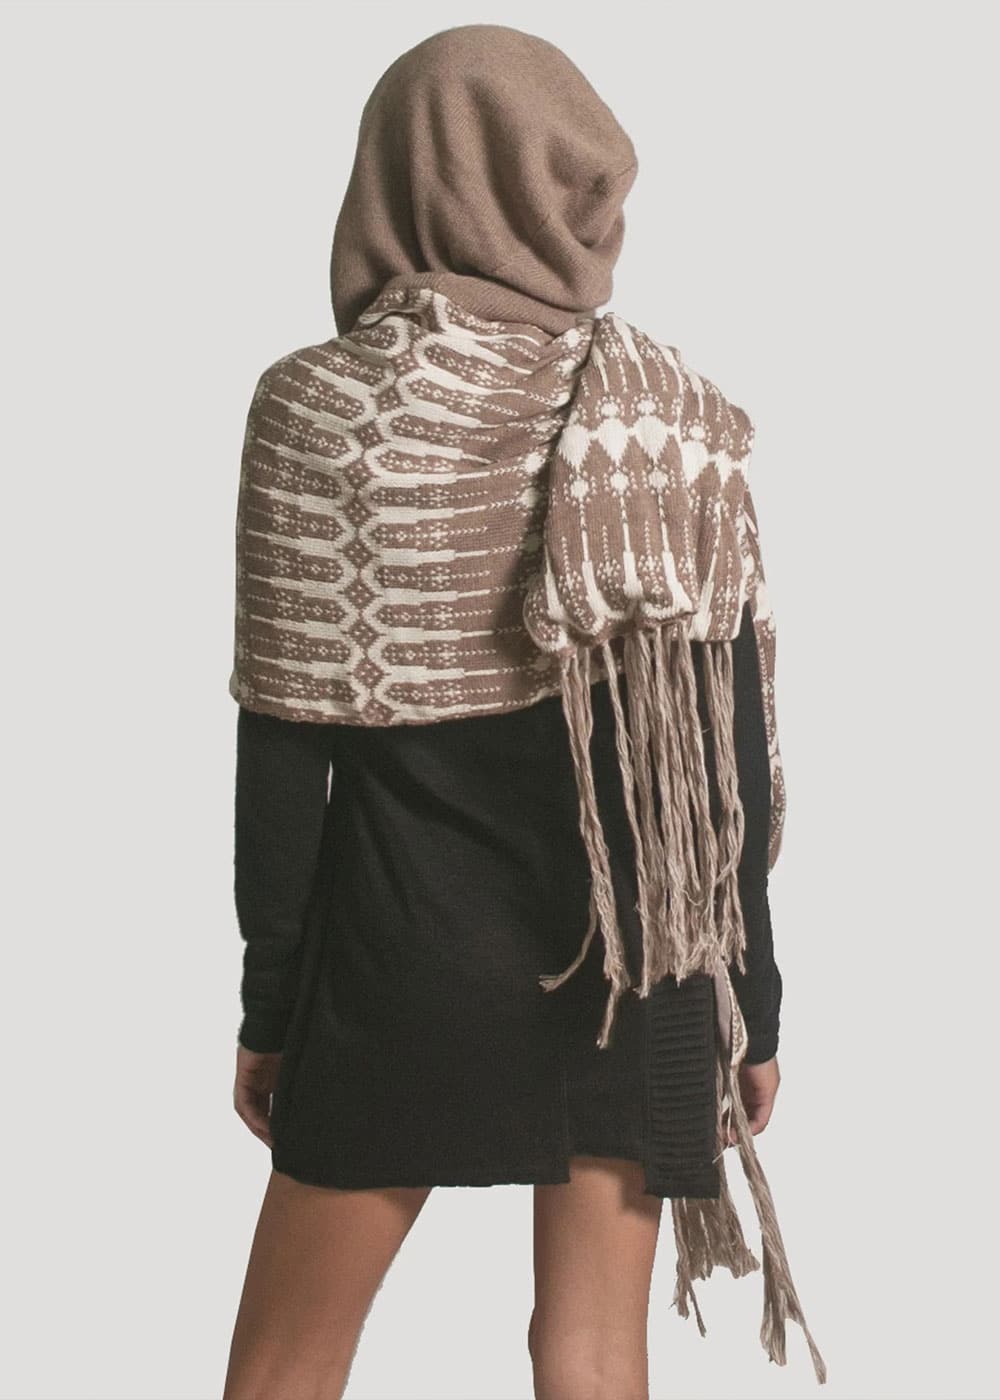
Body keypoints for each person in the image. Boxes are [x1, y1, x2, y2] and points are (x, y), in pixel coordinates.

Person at [221, 23, 824, 1400]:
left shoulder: (313, 415)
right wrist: (752, 1006)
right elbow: (721, 764)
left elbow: (282, 760)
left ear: (395, 177)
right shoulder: (667, 425)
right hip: (638, 966)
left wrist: (273, 1008)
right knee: (593, 1356)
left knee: (284, 1364)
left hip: (396, 965)